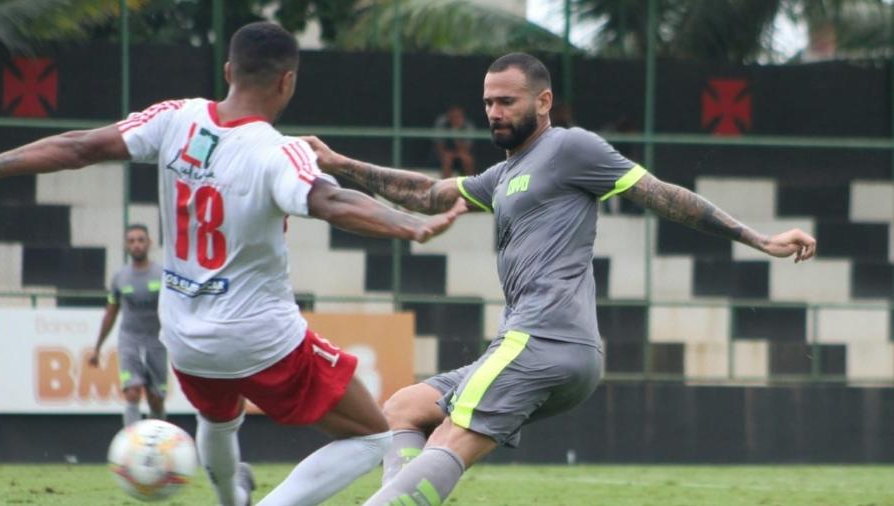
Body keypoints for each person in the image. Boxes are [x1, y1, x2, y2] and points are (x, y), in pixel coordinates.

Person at [303, 52, 817, 505]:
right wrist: (339, 162)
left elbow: (662, 194)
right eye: (488, 102)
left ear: (543, 101)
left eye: (507, 101)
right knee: (403, 410)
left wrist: (759, 240)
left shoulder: (573, 148)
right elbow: (428, 195)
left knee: (448, 443)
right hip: (544, 347)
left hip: (543, 338)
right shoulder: (504, 176)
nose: (494, 113)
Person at [0, 22, 465, 506]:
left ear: (228, 70)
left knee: (218, 419)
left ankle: (229, 500)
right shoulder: (276, 152)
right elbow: (331, 201)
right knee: (372, 437)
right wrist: (407, 226)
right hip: (259, 336)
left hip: (184, 337)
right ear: (288, 81)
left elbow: (77, 148)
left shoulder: (176, 117)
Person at [90, 224, 166, 427]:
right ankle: (132, 444)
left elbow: (175, 311)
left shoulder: (162, 275)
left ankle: (156, 442)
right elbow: (110, 313)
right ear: (126, 245)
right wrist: (97, 348)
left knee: (155, 398)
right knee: (132, 391)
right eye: (131, 241)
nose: (136, 245)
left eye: (141, 240)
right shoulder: (120, 277)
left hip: (157, 341)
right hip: (129, 340)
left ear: (149, 243)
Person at [433, 105, 476, 178]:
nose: (455, 118)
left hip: (460, 152)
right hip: (445, 153)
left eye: (458, 116)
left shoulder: (467, 125)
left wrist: (456, 133)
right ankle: (444, 185)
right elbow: (439, 145)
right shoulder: (442, 123)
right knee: (447, 160)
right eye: (453, 116)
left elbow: (466, 148)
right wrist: (446, 154)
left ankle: (470, 186)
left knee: (467, 160)